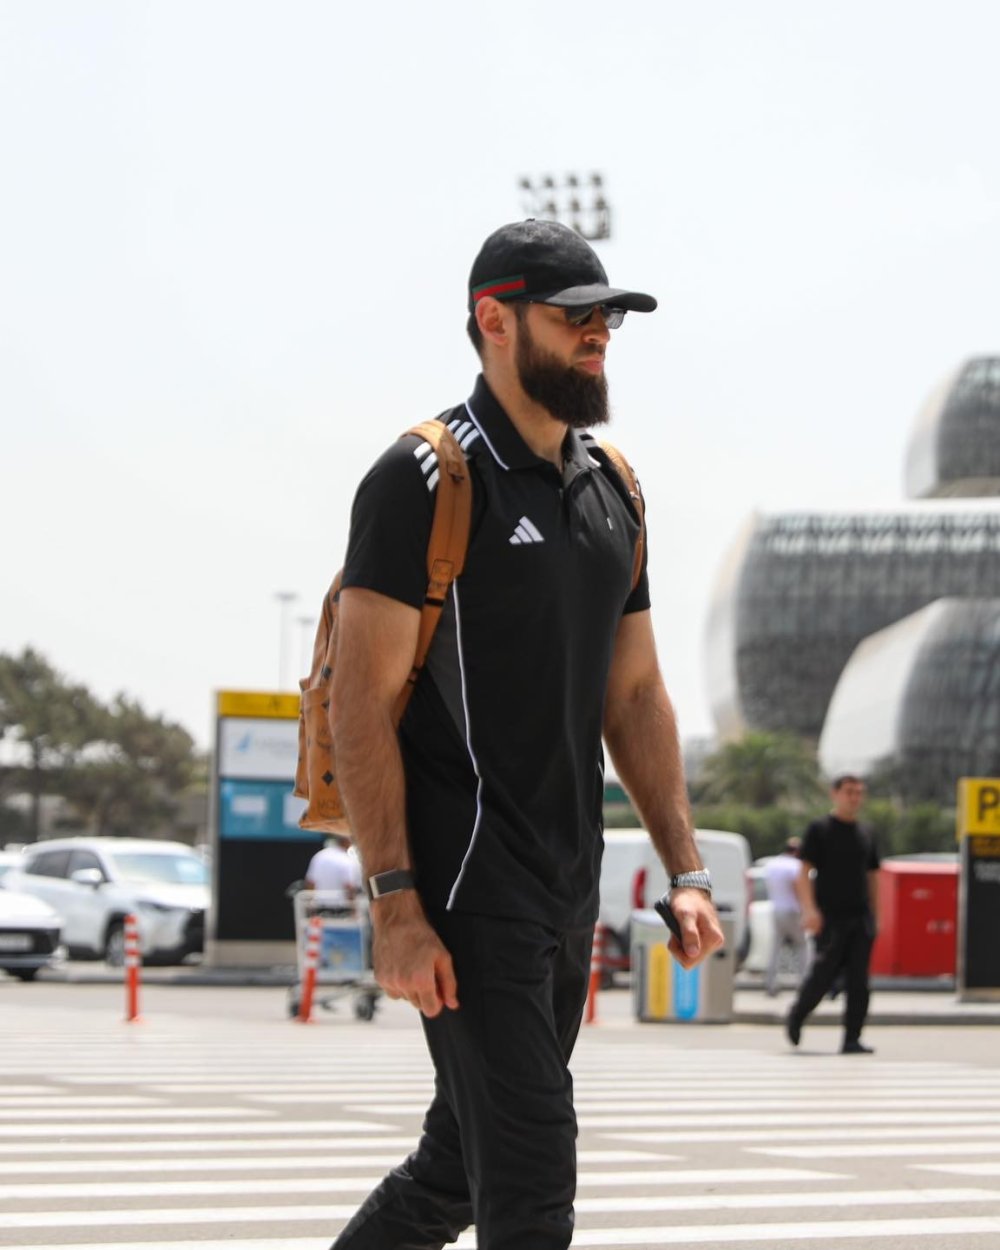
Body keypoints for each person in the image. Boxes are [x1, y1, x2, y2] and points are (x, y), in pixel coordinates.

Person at [327, 218, 724, 1250]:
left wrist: (686, 869)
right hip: (465, 888)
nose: (599, 335)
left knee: (456, 1167)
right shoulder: (423, 478)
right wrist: (394, 904)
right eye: (574, 316)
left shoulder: (612, 486)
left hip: (565, 884)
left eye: (608, 318)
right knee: (532, 1177)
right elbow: (357, 705)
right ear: (495, 321)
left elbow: (634, 695)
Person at [786, 775, 880, 1054]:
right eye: (849, 792)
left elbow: (873, 875)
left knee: (859, 981)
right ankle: (797, 1015)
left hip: (860, 916)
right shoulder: (820, 829)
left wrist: (876, 915)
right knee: (823, 974)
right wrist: (809, 910)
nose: (854, 798)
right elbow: (803, 874)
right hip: (830, 916)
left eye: (859, 792)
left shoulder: (866, 832)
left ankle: (852, 1038)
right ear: (835, 794)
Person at [763, 837, 810, 996]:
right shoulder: (795, 866)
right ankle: (803, 983)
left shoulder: (772, 864)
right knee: (802, 945)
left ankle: (770, 982)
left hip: (777, 909)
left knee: (775, 947)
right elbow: (799, 888)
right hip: (792, 910)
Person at [304, 832, 362, 906]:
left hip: (320, 908)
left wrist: (310, 906)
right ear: (347, 841)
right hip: (342, 909)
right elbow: (349, 886)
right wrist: (354, 908)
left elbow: (310, 883)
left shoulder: (319, 856)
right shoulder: (346, 859)